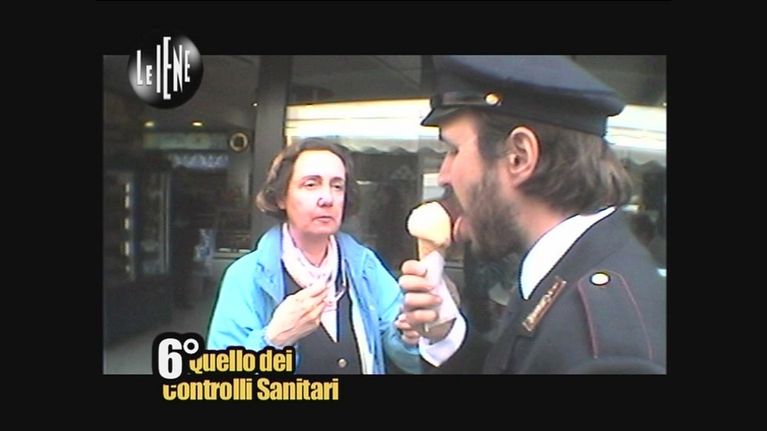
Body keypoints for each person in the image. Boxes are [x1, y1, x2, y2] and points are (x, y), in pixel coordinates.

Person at [396, 56, 666, 374]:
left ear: (520, 156)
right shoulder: (569, 267)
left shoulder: (609, 350)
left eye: (454, 150)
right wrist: (446, 334)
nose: (444, 176)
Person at [207, 138, 421, 374]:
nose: (327, 198)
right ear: (281, 197)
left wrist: (410, 336)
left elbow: (410, 359)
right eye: (311, 185)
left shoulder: (364, 266)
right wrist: (273, 340)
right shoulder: (246, 276)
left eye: (337, 186)